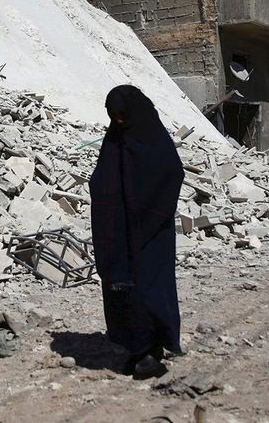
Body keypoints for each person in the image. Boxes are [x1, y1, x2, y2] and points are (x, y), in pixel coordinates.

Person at [88, 85, 184, 379]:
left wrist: (146, 213)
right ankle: (135, 347)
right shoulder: (114, 141)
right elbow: (102, 179)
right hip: (119, 233)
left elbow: (171, 173)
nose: (118, 121)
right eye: (112, 116)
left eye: (121, 115)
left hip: (151, 235)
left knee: (148, 289)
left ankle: (153, 350)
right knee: (121, 289)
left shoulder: (153, 138)